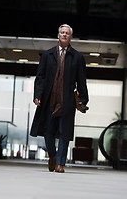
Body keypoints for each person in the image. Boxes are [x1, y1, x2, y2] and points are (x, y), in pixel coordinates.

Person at [30, 24, 89, 173]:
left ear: (71, 37)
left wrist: (83, 98)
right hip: (49, 99)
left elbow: (82, 80)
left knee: (64, 132)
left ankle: (60, 164)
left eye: (67, 33)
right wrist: (37, 95)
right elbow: (40, 78)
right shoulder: (47, 55)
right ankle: (53, 156)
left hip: (67, 101)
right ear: (58, 35)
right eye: (62, 32)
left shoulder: (77, 57)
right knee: (48, 131)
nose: (64, 35)